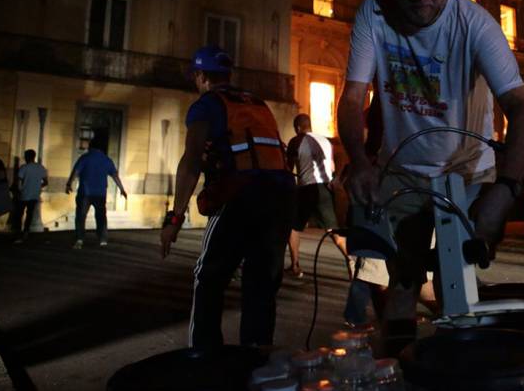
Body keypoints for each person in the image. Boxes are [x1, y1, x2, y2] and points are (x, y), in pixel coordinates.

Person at [337, 0, 524, 351]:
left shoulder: (477, 25)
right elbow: (353, 100)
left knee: (456, 282)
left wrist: (505, 188)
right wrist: (360, 161)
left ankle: (459, 373)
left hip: (466, 170)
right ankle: (398, 377)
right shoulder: (373, 13)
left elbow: (523, 110)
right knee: (402, 280)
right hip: (404, 167)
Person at [159, 46, 294, 349]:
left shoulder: (207, 105)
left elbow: (191, 161)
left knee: (208, 278)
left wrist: (175, 218)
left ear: (202, 76)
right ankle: (255, 361)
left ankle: (204, 359)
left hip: (241, 195)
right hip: (280, 198)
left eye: (196, 76)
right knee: (260, 285)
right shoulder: (257, 104)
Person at [285, 113, 348, 278]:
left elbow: (288, 168)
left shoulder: (296, 141)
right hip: (325, 188)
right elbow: (332, 167)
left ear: (298, 128)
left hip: (306, 188)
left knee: (293, 227)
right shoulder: (326, 141)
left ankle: (295, 265)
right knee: (333, 229)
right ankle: (351, 261)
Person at [65, 135, 127, 249]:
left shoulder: (85, 158)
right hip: (100, 193)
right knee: (101, 216)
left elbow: (76, 171)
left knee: (81, 216)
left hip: (85, 192)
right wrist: (122, 189)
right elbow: (115, 175)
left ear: (91, 146)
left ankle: (80, 239)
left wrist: (69, 184)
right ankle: (102, 239)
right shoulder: (106, 160)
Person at [13, 149, 48, 243]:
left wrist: (19, 190)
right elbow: (45, 182)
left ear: (27, 157)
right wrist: (37, 186)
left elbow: (19, 181)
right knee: (29, 214)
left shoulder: (24, 168)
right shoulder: (41, 168)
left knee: (19, 214)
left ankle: (18, 233)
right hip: (35, 195)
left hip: (24, 194)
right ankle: (26, 232)